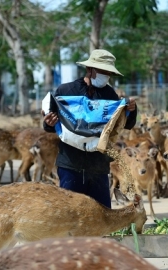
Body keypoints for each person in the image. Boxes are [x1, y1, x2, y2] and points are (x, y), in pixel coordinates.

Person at [42, 49, 137, 208]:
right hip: (70, 164)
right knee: (70, 212)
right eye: (103, 71)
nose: (106, 76)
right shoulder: (65, 91)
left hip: (98, 166)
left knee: (102, 213)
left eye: (108, 73)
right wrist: (48, 123)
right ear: (89, 69)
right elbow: (51, 126)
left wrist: (132, 110)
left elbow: (126, 124)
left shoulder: (110, 94)